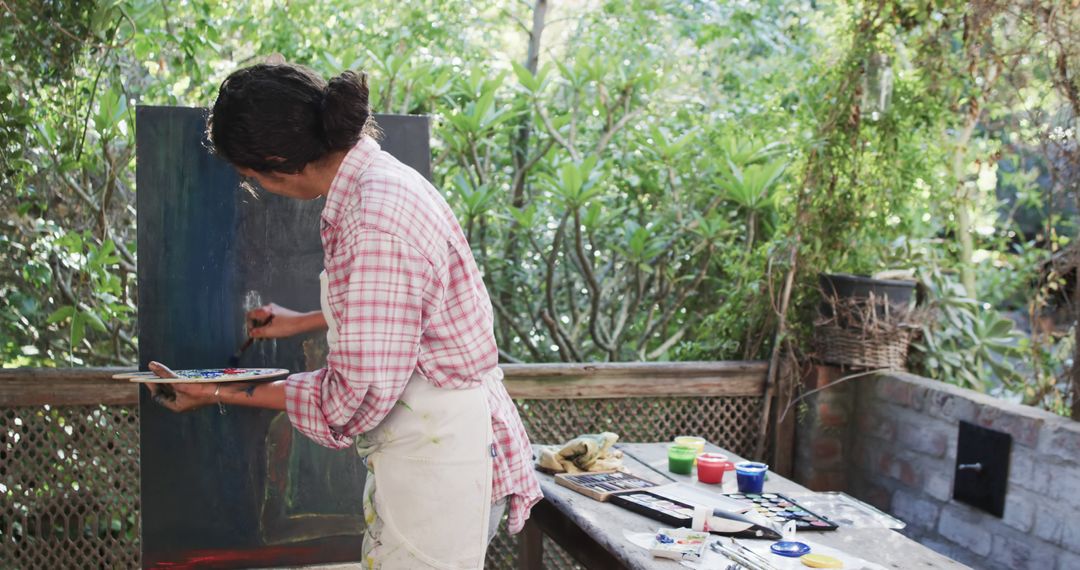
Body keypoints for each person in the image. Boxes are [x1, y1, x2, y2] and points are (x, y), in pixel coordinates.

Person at [145, 62, 542, 569]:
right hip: (435, 442)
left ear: (275, 161)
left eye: (250, 176)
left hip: (439, 454)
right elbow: (406, 318)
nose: (256, 187)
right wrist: (307, 319)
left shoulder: (373, 218)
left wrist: (219, 390)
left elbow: (355, 395)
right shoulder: (381, 183)